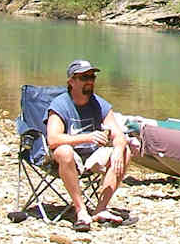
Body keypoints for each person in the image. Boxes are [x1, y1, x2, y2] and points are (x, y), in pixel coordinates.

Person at [45, 59, 133, 232]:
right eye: (84, 77)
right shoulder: (60, 105)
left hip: (92, 156)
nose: (90, 81)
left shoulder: (99, 104)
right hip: (67, 158)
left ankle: (101, 209)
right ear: (71, 81)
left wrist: (118, 149)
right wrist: (86, 138)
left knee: (125, 151)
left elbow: (119, 135)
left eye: (92, 77)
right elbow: (53, 140)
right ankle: (81, 211)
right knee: (64, 151)